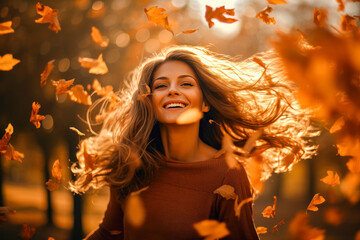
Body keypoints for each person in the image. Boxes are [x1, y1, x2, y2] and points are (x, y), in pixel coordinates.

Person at [71, 45, 316, 240]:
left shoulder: (227, 175)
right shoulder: (131, 163)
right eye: (161, 86)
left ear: (205, 103)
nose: (173, 90)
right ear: (150, 102)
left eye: (186, 84)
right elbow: (109, 233)